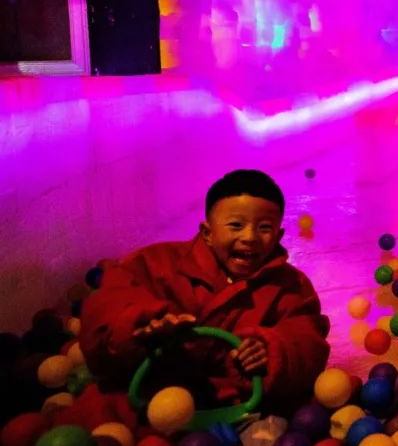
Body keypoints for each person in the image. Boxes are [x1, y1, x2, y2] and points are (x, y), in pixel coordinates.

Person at [79, 170, 330, 414]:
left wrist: (271, 351)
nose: (250, 237)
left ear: (279, 235)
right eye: (236, 225)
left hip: (238, 408)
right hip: (151, 397)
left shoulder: (290, 286)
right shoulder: (154, 263)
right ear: (207, 233)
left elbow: (306, 338)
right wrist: (138, 326)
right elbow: (109, 301)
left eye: (264, 228)